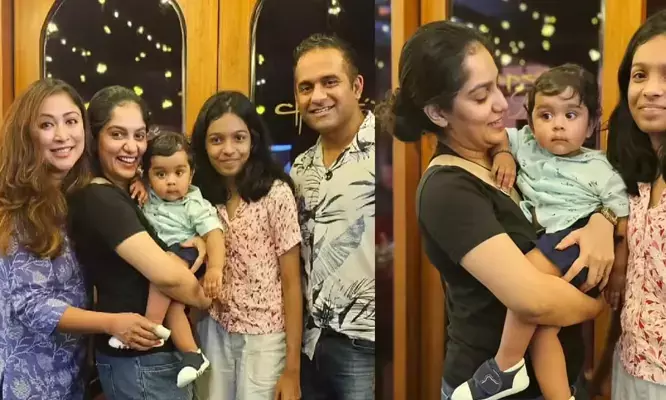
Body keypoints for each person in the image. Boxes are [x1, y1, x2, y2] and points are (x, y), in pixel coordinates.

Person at [379, 20, 618, 400]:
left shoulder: (509, 156)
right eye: (480, 96)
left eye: (497, 86)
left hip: (558, 378)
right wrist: (599, 303)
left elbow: (576, 201)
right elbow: (531, 300)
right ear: (438, 113)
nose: (502, 104)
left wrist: (602, 222)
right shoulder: (446, 190)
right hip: (497, 388)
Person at [453, 64, 629, 400]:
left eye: (571, 115)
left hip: (576, 240)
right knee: (542, 331)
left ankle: (504, 367)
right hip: (550, 242)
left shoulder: (602, 167)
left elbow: (622, 219)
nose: (558, 125)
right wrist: (504, 154)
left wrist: (618, 271)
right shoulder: (526, 144)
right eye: (546, 115)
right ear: (531, 122)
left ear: (591, 124)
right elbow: (500, 138)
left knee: (524, 282)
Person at [0, 79, 163, 400]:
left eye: (71, 121)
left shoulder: (78, 194)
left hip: (74, 372)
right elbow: (31, 305)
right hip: (27, 379)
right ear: (26, 134)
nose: (63, 135)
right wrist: (112, 323)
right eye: (47, 125)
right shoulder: (16, 205)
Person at [67, 86, 211, 400]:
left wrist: (194, 242)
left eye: (139, 135)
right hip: (141, 362)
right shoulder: (100, 198)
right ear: (94, 138)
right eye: (117, 134)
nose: (132, 146)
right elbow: (168, 277)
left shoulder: (129, 193)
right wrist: (203, 298)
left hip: (147, 359)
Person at [191, 91, 302, 400]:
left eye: (238, 138)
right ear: (203, 144)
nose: (228, 150)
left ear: (253, 141)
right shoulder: (197, 196)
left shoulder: (276, 194)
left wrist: (292, 369)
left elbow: (292, 283)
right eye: (216, 140)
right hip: (213, 327)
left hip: (264, 337)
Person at [290, 33, 376, 399]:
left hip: (368, 347)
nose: (317, 96)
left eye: (330, 82)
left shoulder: (394, 153)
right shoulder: (300, 169)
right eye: (306, 87)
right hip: (311, 345)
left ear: (357, 86)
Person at [107, 129, 228, 387]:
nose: (171, 181)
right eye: (161, 174)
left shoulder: (193, 203)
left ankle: (150, 328)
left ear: (191, 174)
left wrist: (215, 269)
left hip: (184, 251)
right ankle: (192, 354)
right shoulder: (148, 194)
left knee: (162, 275)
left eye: (179, 173)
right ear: (149, 175)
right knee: (173, 307)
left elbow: (215, 234)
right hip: (163, 253)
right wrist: (138, 183)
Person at [589, 9, 666, 399]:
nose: (651, 89)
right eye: (639, 75)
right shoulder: (637, 177)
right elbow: (634, 289)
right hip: (629, 368)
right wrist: (606, 363)